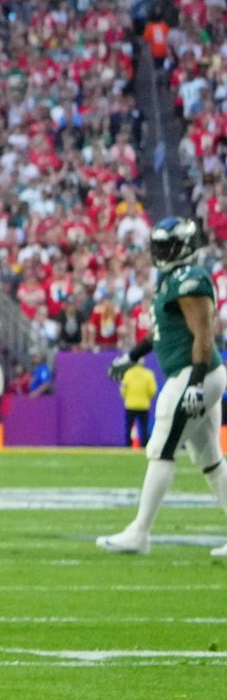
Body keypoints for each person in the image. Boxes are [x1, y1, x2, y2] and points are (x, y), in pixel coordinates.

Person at [98, 219, 227, 557]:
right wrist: (132, 356)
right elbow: (159, 333)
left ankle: (140, 533)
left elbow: (203, 333)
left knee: (160, 448)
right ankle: (139, 532)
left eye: (167, 246)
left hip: (194, 374)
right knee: (209, 458)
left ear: (184, 246)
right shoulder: (171, 280)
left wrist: (196, 383)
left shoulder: (190, 280)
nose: (160, 253)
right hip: (198, 374)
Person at [119, 359, 157, 449]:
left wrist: (127, 398)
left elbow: (123, 389)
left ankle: (128, 444)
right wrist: (147, 397)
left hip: (130, 405)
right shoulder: (148, 374)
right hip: (144, 405)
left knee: (128, 426)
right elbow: (153, 390)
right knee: (144, 427)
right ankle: (144, 444)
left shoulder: (128, 374)